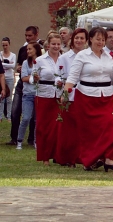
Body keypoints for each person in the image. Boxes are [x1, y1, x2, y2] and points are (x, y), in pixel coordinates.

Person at [64, 26, 113, 171]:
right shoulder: (82, 56)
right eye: (98, 39)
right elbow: (73, 76)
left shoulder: (108, 57)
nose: (101, 42)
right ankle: (90, 160)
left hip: (106, 96)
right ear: (90, 39)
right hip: (87, 96)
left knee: (111, 126)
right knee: (90, 132)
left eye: (103, 39)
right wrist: (65, 92)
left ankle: (108, 158)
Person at [55, 28, 88, 166]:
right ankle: (66, 157)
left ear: (86, 41)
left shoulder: (89, 56)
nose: (79, 41)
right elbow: (58, 76)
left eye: (82, 38)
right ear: (72, 40)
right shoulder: (64, 57)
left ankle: (81, 156)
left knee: (82, 128)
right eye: (77, 38)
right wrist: (61, 89)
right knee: (68, 129)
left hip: (84, 94)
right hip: (69, 95)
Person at [33, 32, 62, 163]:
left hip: (59, 95)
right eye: (53, 44)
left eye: (58, 44)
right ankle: (44, 156)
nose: (56, 46)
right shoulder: (40, 60)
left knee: (57, 126)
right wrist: (35, 78)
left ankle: (56, 155)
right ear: (48, 45)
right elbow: (34, 79)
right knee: (43, 127)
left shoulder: (64, 59)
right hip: (44, 94)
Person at [9, 26, 39, 145]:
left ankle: (32, 139)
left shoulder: (40, 52)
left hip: (36, 90)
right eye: (26, 35)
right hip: (23, 86)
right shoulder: (23, 50)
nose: (27, 37)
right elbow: (20, 68)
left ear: (36, 35)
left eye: (30, 35)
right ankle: (15, 138)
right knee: (16, 111)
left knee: (35, 118)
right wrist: (19, 69)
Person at [17, 40, 43, 149]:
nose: (28, 51)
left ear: (36, 50)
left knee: (37, 119)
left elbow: (44, 76)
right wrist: (33, 78)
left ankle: (36, 141)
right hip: (27, 94)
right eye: (27, 49)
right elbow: (23, 78)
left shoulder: (41, 62)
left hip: (39, 94)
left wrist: (34, 78)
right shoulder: (25, 63)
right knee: (26, 118)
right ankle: (19, 140)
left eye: (30, 49)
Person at [1, 37, 16, 120]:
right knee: (1, 97)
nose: (5, 47)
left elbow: (13, 66)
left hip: (10, 77)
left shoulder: (13, 55)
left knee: (9, 98)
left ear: (9, 45)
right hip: (2, 78)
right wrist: (8, 63)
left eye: (6, 45)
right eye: (3, 45)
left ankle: (9, 116)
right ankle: (1, 116)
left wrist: (3, 63)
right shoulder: (0, 54)